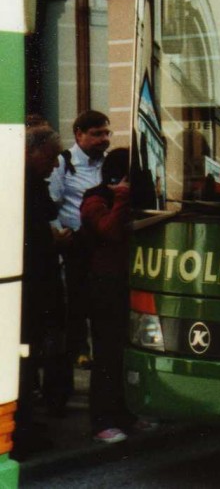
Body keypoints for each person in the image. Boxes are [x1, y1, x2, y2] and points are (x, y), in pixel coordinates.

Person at [79, 148, 151, 444]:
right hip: (104, 287)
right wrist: (121, 198)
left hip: (125, 283)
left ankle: (125, 414)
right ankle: (102, 421)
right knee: (107, 355)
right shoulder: (94, 199)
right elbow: (109, 230)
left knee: (125, 352)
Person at [12, 120, 65, 460]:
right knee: (24, 358)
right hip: (28, 287)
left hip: (33, 284)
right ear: (30, 152)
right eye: (50, 156)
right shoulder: (23, 183)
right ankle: (21, 429)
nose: (56, 164)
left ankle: (25, 423)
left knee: (28, 358)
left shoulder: (29, 181)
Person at [47, 109, 111, 378]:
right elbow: (52, 202)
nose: (104, 139)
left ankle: (101, 352)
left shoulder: (106, 163)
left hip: (103, 242)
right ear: (79, 134)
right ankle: (79, 350)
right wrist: (59, 235)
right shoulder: (64, 162)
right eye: (96, 134)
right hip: (76, 243)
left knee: (101, 300)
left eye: (106, 133)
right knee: (77, 300)